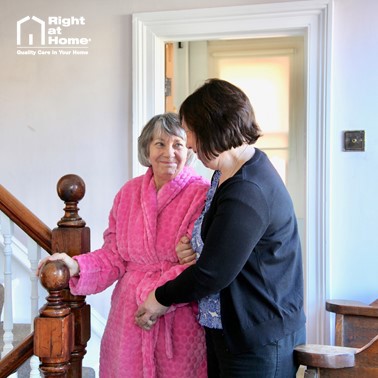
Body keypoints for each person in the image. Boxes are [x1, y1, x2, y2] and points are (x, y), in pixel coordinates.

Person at [135, 79, 306, 378]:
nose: (188, 144)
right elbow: (224, 244)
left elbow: (213, 273)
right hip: (228, 331)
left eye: (189, 132)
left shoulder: (247, 190)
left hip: (257, 340)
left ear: (211, 127)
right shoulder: (226, 174)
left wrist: (160, 297)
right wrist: (193, 246)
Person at [37, 113, 209, 378]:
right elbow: (114, 256)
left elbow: (198, 264)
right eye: (160, 144)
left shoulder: (201, 194)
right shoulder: (129, 193)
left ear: (189, 149)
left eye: (178, 144)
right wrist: (76, 265)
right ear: (147, 149)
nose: (169, 152)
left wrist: (157, 297)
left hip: (177, 315)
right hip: (128, 317)